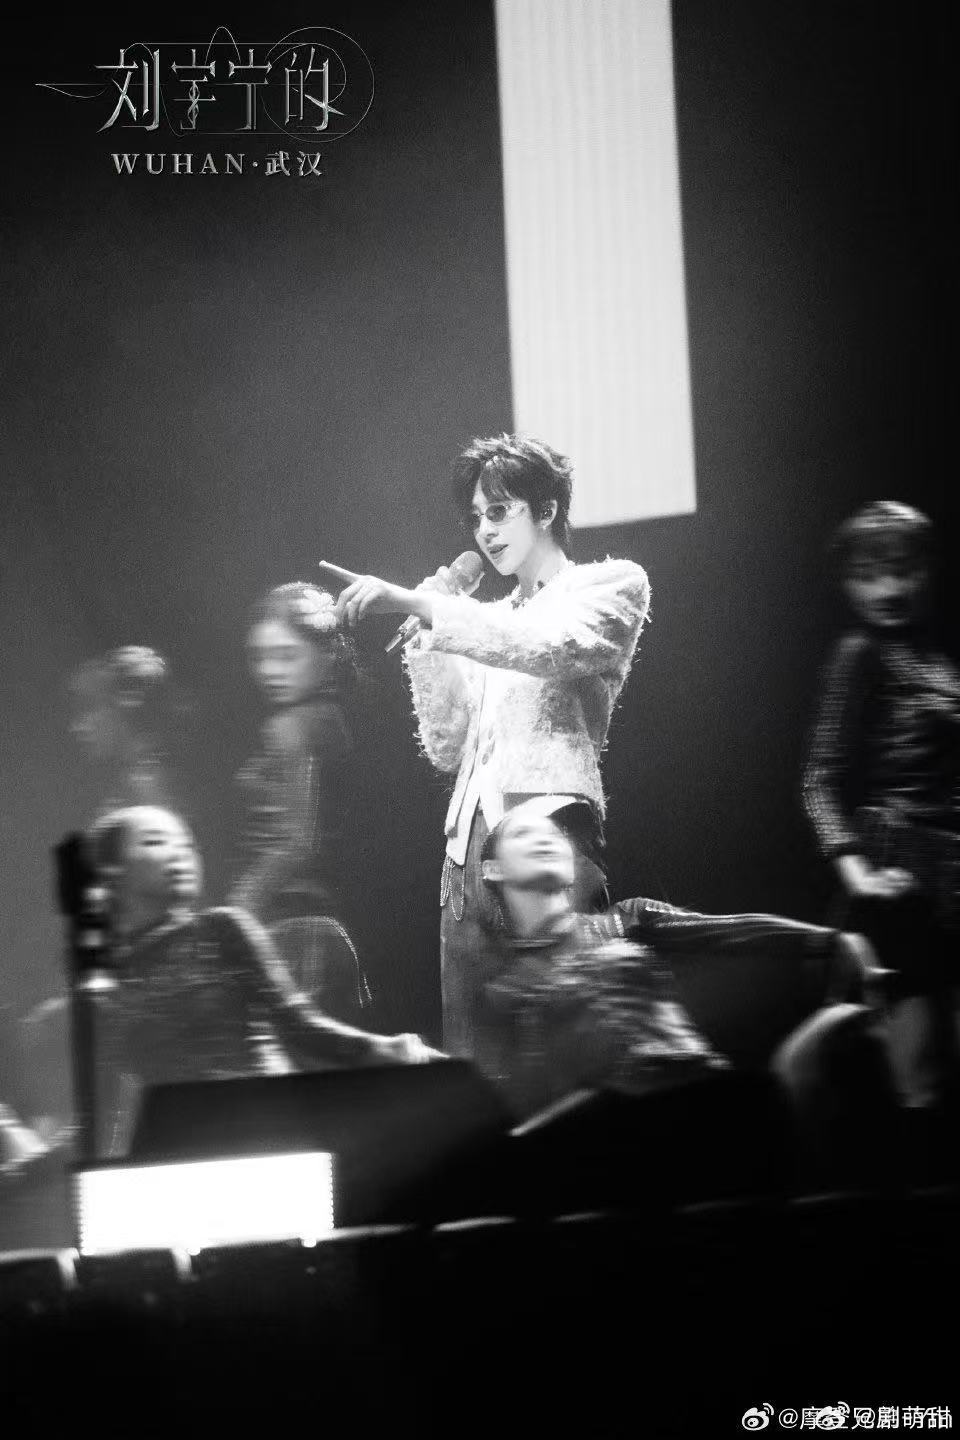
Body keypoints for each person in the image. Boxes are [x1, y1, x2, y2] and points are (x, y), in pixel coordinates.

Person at [333, 434, 650, 1058]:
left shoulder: (611, 584)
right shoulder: (485, 617)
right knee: (473, 1056)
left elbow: (550, 647)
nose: (485, 531)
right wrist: (428, 639)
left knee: (566, 1041)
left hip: (550, 836)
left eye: (499, 511)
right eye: (476, 517)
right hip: (464, 861)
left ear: (547, 509)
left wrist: (430, 606)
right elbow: (447, 746)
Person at [89, 805, 436, 1157]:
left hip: (269, 1133)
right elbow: (105, 1112)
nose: (180, 853)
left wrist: (384, 1050)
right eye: (155, 841)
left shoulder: (220, 930)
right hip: (181, 1154)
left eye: (187, 844)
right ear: (113, 873)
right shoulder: (105, 988)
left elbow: (301, 1026)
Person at [802, 502, 960, 1169]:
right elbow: (820, 779)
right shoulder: (860, 654)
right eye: (867, 575)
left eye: (900, 570)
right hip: (903, 876)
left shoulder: (939, 657)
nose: (887, 589)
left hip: (951, 874)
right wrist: (859, 874)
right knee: (916, 1080)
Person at [229, 583, 368, 1022]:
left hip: (287, 923)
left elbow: (295, 842)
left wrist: (236, 911)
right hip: (328, 919)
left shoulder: (289, 727)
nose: (270, 671)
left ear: (327, 655)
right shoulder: (333, 718)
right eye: (260, 657)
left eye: (287, 656)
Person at [70, 645, 178, 817]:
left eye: (88, 708)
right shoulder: (125, 783)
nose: (77, 726)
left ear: (126, 706)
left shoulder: (147, 796)